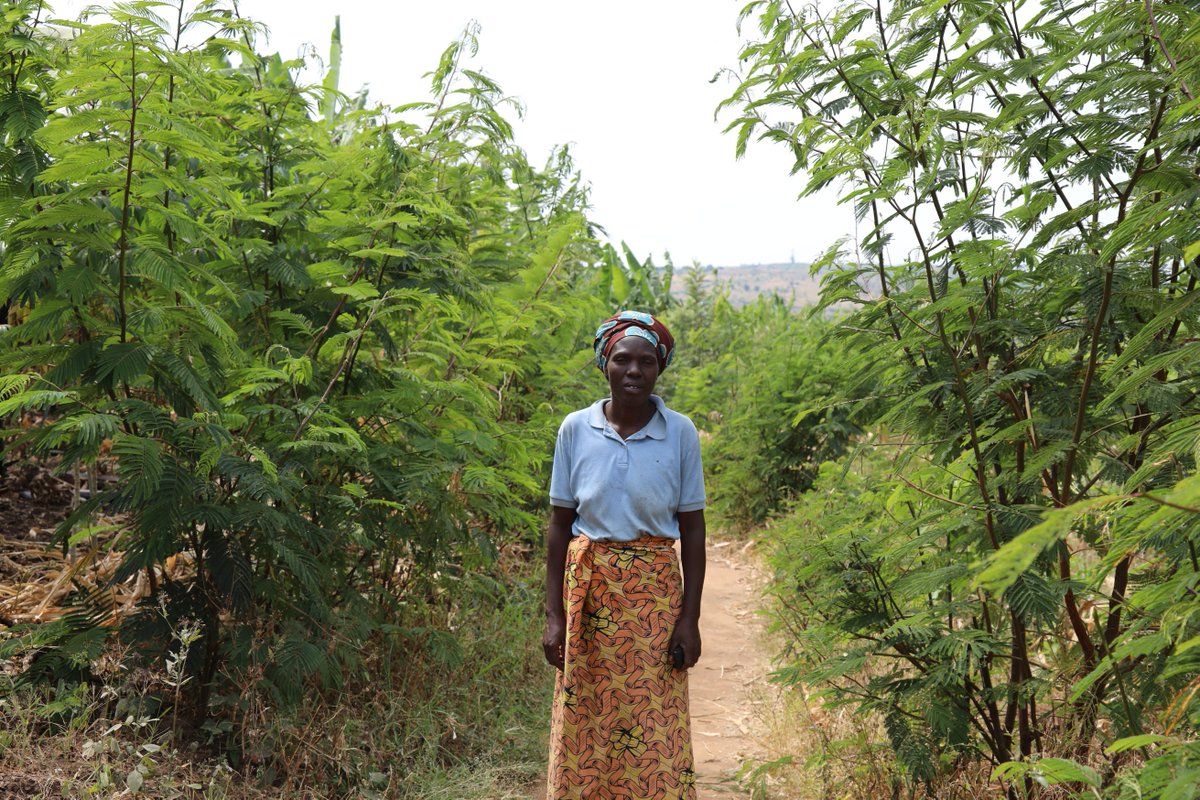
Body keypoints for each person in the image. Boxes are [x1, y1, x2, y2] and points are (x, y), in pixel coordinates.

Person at [542, 310, 707, 800]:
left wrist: (690, 618)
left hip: (654, 596)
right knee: (585, 712)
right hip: (588, 593)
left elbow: (693, 530)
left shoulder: (680, 433)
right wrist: (554, 615)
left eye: (646, 362)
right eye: (622, 359)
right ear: (604, 365)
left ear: (659, 369)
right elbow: (558, 525)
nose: (634, 370)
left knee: (652, 715)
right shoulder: (576, 429)